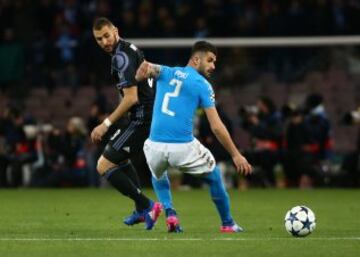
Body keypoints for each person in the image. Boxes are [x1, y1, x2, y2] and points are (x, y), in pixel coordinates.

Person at [135, 41, 253, 232]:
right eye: (210, 60)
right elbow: (216, 127)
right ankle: (228, 224)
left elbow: (143, 68)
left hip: (154, 146)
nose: (213, 66)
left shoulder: (165, 71)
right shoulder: (202, 85)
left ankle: (170, 212)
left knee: (157, 174)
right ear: (196, 59)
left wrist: (141, 76)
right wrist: (236, 154)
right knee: (214, 176)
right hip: (182, 148)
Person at [91, 17, 166, 230]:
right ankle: (141, 208)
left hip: (143, 118)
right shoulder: (128, 48)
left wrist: (104, 123)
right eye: (99, 39)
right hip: (143, 115)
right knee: (120, 160)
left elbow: (131, 98)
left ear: (116, 30)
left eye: (107, 35)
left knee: (103, 165)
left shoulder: (121, 57)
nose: (104, 41)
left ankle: (147, 206)